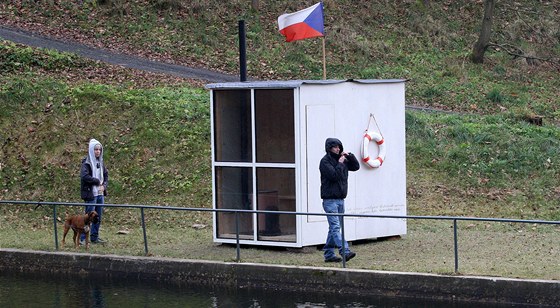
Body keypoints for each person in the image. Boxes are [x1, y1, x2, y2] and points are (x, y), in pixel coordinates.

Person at [319, 137, 360, 262]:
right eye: (335, 147)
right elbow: (334, 176)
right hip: (329, 200)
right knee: (335, 227)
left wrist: (350, 156)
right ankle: (345, 251)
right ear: (329, 148)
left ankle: (329, 254)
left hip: (341, 199)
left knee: (334, 228)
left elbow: (356, 167)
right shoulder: (325, 162)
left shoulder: (342, 160)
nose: (337, 149)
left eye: (339, 147)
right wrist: (341, 163)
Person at [80, 138, 108, 244]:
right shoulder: (86, 163)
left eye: (99, 150)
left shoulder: (101, 162)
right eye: (96, 149)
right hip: (91, 194)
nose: (98, 151)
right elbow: (85, 176)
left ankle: (94, 237)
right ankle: (82, 238)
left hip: (100, 193)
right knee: (88, 216)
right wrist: (96, 181)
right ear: (91, 150)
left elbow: (105, 175)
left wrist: (104, 186)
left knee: (98, 216)